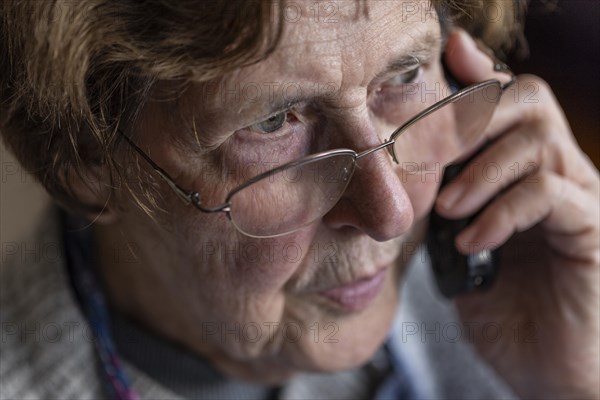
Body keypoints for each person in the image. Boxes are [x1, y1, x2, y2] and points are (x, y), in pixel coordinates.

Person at [1, 1, 598, 399]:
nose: (390, 213)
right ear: (84, 159)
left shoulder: (507, 277)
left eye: (405, 75)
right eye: (272, 124)